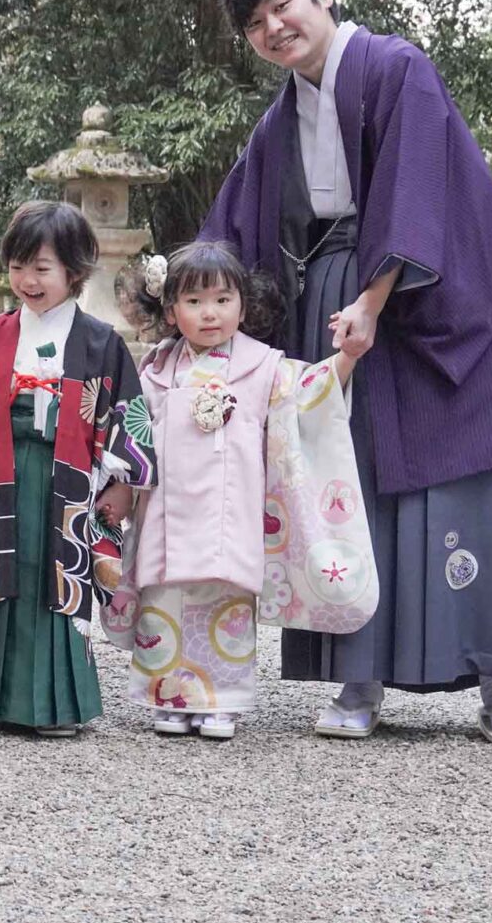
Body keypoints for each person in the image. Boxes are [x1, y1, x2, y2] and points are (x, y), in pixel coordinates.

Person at [201, 0, 492, 745]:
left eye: (282, 3)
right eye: (255, 23)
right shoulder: (282, 117)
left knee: (463, 494)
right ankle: (357, 680)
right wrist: (187, 300)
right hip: (338, 308)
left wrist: (374, 297)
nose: (274, 26)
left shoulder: (396, 68)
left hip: (424, 300)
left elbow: (417, 195)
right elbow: (236, 225)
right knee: (342, 491)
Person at [104, 241, 370, 740]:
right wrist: (120, 484)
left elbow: (311, 390)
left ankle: (220, 700)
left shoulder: (263, 366)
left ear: (243, 306)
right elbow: (132, 435)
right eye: (195, 302)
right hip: (166, 507)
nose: (210, 314)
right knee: (165, 598)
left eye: (223, 300)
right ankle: (169, 696)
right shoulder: (155, 370)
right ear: (169, 309)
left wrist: (346, 357)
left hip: (231, 511)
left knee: (223, 603)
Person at [0, 201, 151, 739]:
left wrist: (120, 483)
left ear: (75, 270)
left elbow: (124, 413)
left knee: (60, 580)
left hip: (68, 475)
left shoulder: (100, 341)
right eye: (19, 266)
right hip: (2, 470)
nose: (28, 279)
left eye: (42, 268)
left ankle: (57, 705)